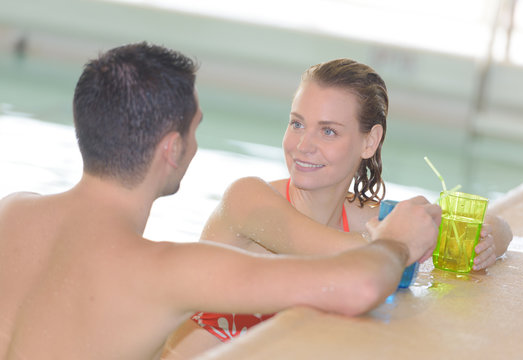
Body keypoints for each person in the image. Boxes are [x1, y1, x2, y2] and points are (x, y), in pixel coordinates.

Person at [0, 43, 442, 360]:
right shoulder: (162, 269)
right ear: (172, 150)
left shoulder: (13, 212)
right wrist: (398, 244)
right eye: (196, 129)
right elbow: (359, 285)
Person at [163, 59, 513, 358]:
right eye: (297, 123)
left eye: (328, 131)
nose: (303, 145)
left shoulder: (363, 219)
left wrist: (491, 239)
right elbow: (370, 256)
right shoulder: (247, 201)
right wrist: (412, 240)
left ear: (369, 141)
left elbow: (499, 226)